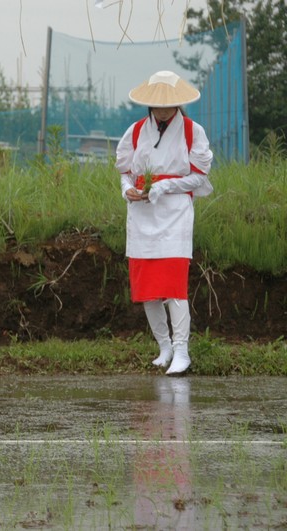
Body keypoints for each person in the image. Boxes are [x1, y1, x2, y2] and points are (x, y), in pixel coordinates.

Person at [116, 71, 213, 375]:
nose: (162, 111)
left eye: (168, 106)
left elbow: (199, 176)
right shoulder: (135, 131)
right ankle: (165, 347)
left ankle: (182, 350)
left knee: (173, 286)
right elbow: (125, 172)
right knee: (147, 288)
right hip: (142, 215)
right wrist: (127, 190)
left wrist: (165, 186)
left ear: (178, 104)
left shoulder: (192, 131)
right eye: (157, 106)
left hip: (175, 215)